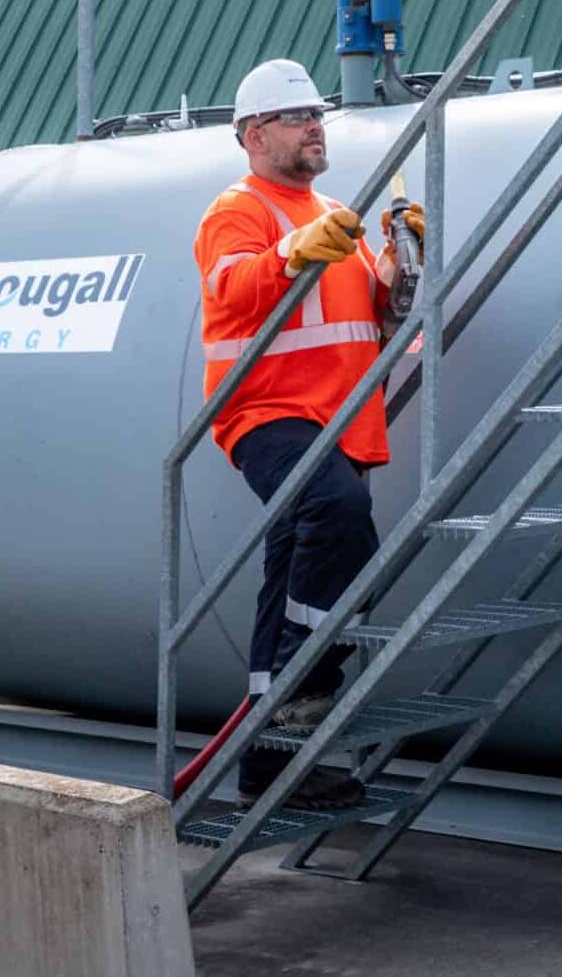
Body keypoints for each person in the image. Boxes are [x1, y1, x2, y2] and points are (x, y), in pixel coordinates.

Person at [192, 57, 422, 808]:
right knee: (339, 516)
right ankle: (303, 679)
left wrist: (397, 272)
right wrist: (292, 251)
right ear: (253, 135)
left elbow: (371, 323)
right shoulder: (241, 207)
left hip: (339, 419)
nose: (314, 127)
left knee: (292, 563)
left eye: (317, 116)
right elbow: (230, 285)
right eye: (296, 118)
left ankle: (269, 755)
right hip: (267, 413)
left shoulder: (335, 219)